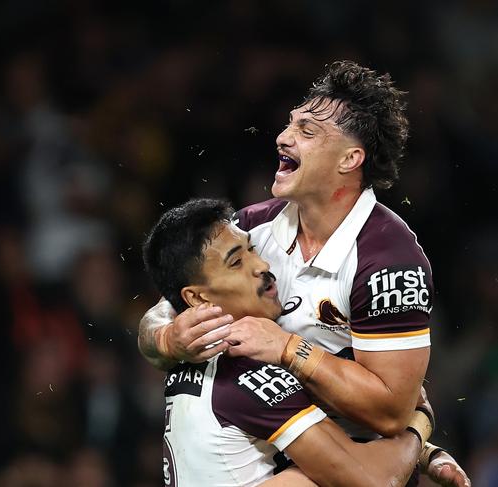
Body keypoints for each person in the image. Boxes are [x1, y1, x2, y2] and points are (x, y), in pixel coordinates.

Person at [138, 61, 469, 486]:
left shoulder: (388, 260)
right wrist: (169, 338)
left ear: (351, 159)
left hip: (346, 468)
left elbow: (389, 414)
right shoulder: (253, 229)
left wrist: (290, 348)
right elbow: (163, 313)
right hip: (274, 454)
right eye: (291, 123)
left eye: (308, 132)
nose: (283, 137)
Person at [143, 198, 438, 487]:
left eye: (252, 250)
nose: (261, 265)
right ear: (197, 298)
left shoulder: (190, 348)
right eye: (236, 263)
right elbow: (375, 480)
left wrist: (427, 454)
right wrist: (418, 423)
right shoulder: (246, 370)